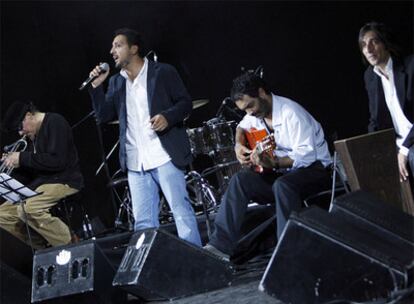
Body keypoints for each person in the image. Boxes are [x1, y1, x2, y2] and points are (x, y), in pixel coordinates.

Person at [88, 28, 201, 246]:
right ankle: (147, 272)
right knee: (143, 222)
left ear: (134, 48)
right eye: (112, 47)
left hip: (164, 154)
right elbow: (103, 116)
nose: (112, 51)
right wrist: (96, 87)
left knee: (181, 212)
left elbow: (185, 103)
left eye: (118, 45)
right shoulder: (116, 82)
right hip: (135, 160)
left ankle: (197, 265)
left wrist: (167, 117)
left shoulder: (163, 72)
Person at [204, 72, 332, 260]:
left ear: (262, 93)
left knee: (284, 185)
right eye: (244, 110)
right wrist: (238, 145)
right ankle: (219, 246)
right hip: (285, 175)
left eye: (250, 106)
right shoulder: (256, 114)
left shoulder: (291, 113)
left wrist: (273, 163)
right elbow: (241, 127)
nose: (249, 112)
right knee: (241, 180)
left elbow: (306, 156)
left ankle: (287, 252)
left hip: (315, 171)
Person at [0, 101, 84, 249]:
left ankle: (72, 244)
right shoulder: (33, 136)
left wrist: (22, 158)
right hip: (43, 183)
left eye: (20, 127)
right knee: (2, 215)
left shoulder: (55, 122)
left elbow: (58, 161)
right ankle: (43, 247)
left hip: (65, 180)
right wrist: (14, 164)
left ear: (28, 116)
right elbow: (36, 169)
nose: (21, 133)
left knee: (28, 208)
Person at [358, 21, 414, 183]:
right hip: (397, 142)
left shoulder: (410, 66)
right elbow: (375, 120)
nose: (368, 50)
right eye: (363, 45)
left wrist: (403, 150)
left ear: (385, 43)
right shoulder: (370, 76)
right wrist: (367, 148)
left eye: (373, 42)